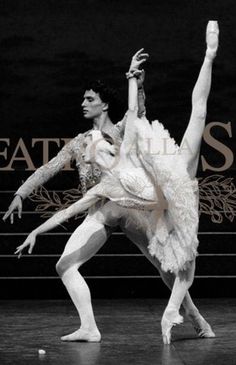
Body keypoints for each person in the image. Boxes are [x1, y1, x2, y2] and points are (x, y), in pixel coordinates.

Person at [14, 21, 219, 344]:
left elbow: (138, 108)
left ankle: (193, 318)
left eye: (89, 98)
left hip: (131, 206)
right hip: (101, 209)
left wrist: (136, 79)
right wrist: (21, 193)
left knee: (167, 266)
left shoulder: (121, 132)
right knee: (65, 265)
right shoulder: (81, 142)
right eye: (82, 98)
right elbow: (49, 168)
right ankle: (90, 327)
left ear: (103, 104)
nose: (83, 103)